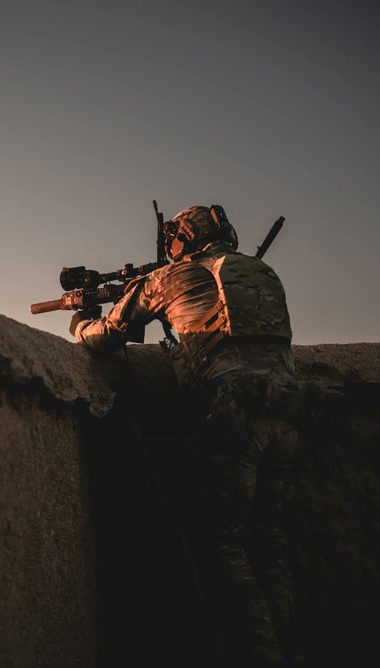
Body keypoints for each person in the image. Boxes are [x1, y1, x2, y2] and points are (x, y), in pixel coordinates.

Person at [71, 204, 303, 666]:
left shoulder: (170, 279)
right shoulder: (263, 272)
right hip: (289, 410)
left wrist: (80, 322)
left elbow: (106, 336)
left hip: (234, 411)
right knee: (270, 539)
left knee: (228, 543)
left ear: (180, 240)